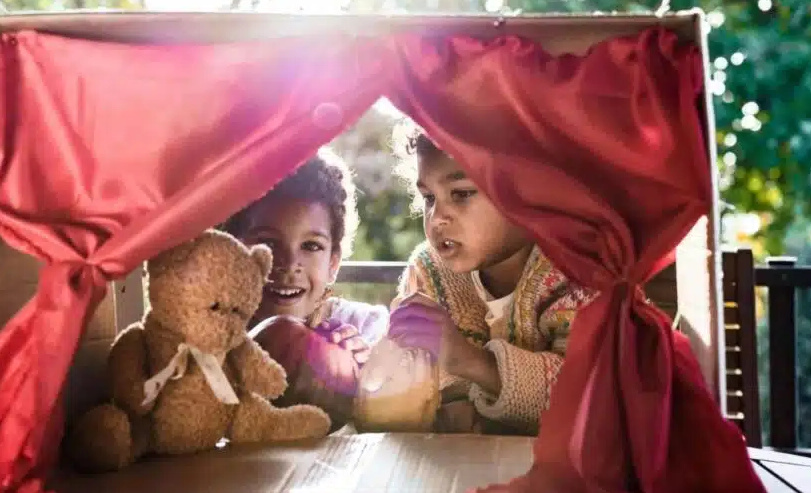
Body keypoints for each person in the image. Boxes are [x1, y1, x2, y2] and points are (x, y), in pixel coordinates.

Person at [386, 123, 596, 435]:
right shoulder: (428, 272)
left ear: (527, 193)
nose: (437, 218)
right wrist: (450, 398)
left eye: (461, 194)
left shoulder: (576, 273)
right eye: (429, 198)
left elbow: (586, 399)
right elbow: (416, 376)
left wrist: (471, 361)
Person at [221, 148, 389, 428]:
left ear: (333, 263)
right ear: (233, 249)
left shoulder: (363, 328)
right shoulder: (213, 335)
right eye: (269, 243)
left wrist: (368, 374)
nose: (289, 264)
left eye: (311, 246)